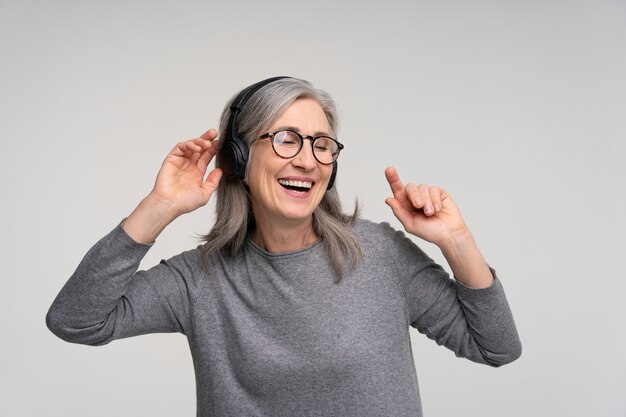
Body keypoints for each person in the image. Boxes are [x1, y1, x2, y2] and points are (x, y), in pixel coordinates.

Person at [47, 76, 521, 417]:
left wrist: (457, 241)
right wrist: (159, 206)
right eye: (286, 139)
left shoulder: (377, 253)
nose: (308, 160)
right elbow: (76, 320)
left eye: (321, 144)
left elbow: (496, 347)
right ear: (237, 158)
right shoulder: (198, 280)